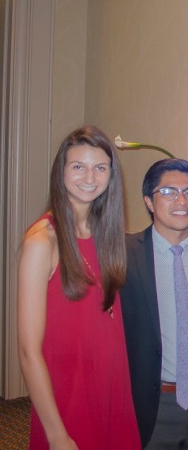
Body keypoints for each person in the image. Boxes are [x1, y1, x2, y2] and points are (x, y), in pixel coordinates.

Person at [17, 125, 141, 449]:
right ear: (61, 171)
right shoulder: (42, 240)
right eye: (78, 166)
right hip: (68, 399)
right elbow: (28, 351)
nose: (90, 177)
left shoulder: (105, 234)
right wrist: (56, 435)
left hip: (110, 389)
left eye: (100, 168)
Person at [121, 159, 188, 449]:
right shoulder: (125, 256)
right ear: (149, 201)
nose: (181, 201)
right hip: (151, 404)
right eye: (168, 192)